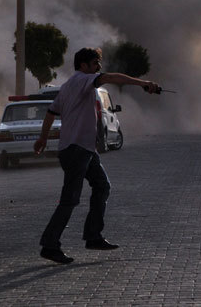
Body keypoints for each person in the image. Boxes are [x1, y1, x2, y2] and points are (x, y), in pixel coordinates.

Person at [35, 47, 159, 264]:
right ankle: (49, 244)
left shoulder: (66, 87)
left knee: (102, 186)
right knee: (69, 200)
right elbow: (111, 77)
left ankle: (93, 236)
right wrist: (143, 83)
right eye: (95, 63)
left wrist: (43, 138)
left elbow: (51, 113)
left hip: (82, 149)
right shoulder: (83, 80)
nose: (98, 68)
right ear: (83, 66)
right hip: (76, 149)